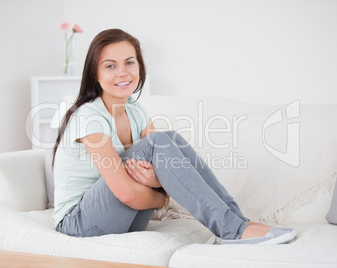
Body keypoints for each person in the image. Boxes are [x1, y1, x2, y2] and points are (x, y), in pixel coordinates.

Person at [52, 28, 296, 245]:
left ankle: (238, 222)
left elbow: (167, 170)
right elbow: (128, 193)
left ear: (140, 66)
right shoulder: (89, 116)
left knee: (170, 139)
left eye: (129, 62)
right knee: (159, 142)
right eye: (110, 65)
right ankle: (233, 230)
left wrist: (157, 180)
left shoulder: (136, 111)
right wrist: (161, 197)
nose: (123, 72)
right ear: (95, 74)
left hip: (123, 219)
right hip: (80, 224)